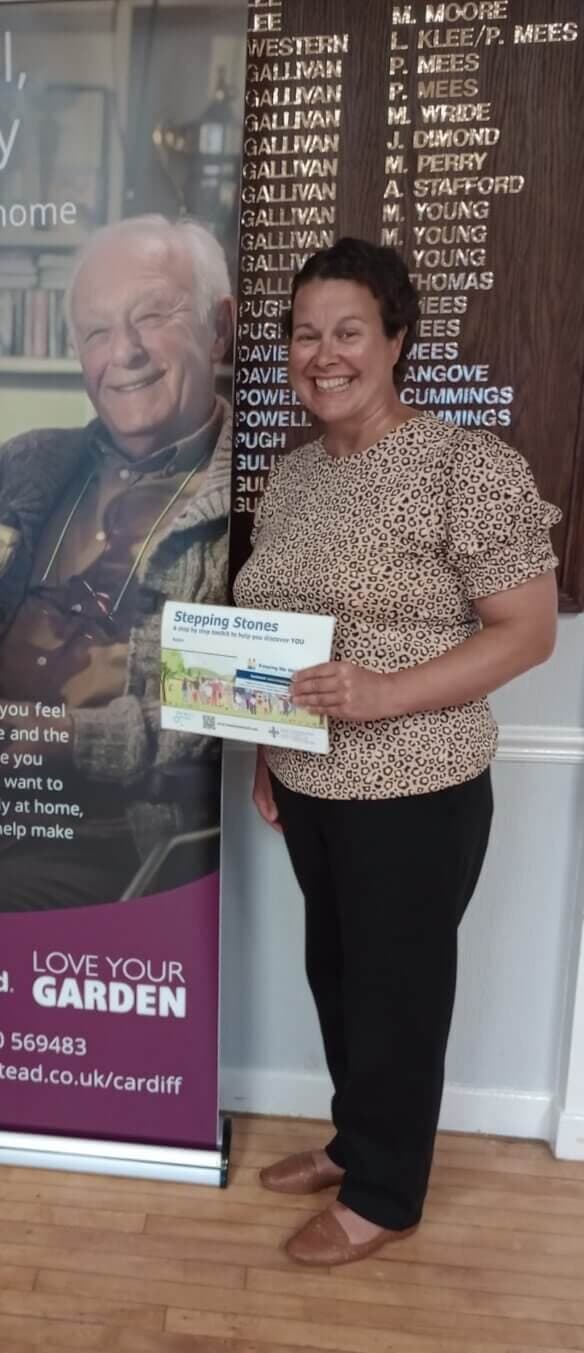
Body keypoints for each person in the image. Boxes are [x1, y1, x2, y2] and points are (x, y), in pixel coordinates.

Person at [233, 237, 558, 1266]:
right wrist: (264, 746)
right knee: (336, 973)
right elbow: (274, 635)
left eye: (347, 332)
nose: (322, 355)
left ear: (395, 342)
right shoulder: (287, 479)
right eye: (303, 334)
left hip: (418, 785)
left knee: (395, 992)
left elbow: (526, 631)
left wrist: (378, 694)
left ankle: (384, 1194)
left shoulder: (468, 466)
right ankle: (353, 1139)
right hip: (309, 779)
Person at [0, 215, 234, 911]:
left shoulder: (253, 500)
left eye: (152, 316)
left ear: (219, 328)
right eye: (96, 332)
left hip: (116, 841)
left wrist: (64, 742)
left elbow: (230, 714)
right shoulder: (25, 466)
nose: (123, 352)